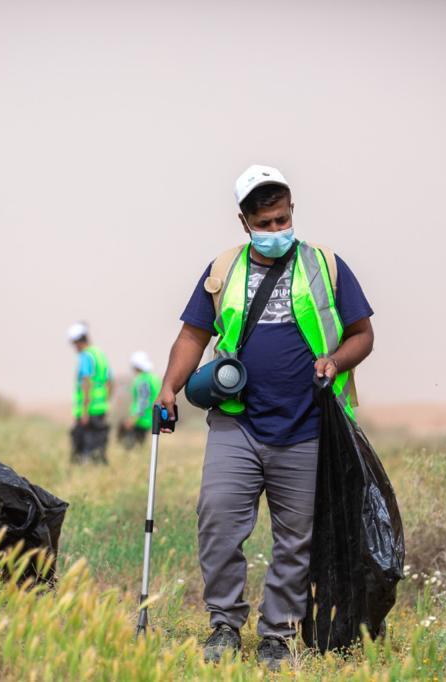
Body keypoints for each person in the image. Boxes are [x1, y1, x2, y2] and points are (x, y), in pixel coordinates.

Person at [155, 165, 375, 670]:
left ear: (292, 211)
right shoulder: (223, 269)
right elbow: (193, 336)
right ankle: (224, 625)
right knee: (217, 522)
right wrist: (168, 385)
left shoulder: (326, 265)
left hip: (308, 426)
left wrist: (335, 361)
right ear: (244, 221)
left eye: (282, 220)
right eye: (265, 223)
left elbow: (362, 334)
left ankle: (277, 634)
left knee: (295, 538)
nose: (277, 231)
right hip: (237, 422)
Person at [67, 322, 114, 463]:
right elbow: (110, 382)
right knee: (99, 445)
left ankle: (85, 473)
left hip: (88, 410)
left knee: (81, 446)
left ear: (77, 341)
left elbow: (86, 383)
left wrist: (85, 411)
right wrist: (105, 401)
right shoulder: (99, 355)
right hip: (100, 408)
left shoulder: (86, 356)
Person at [117, 351, 161, 448]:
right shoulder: (153, 378)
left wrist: (133, 419)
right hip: (149, 418)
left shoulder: (142, 380)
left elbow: (143, 402)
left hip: (140, 420)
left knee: (131, 447)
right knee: (140, 446)